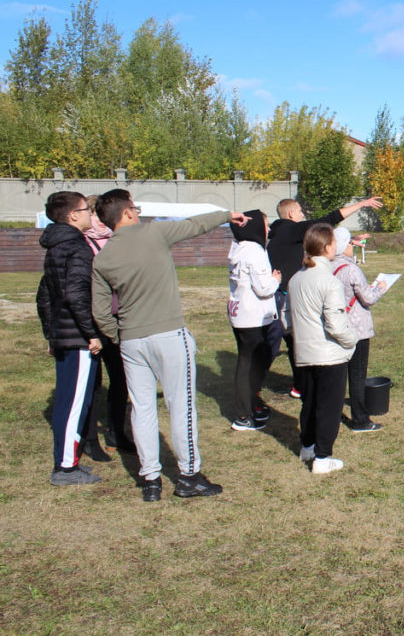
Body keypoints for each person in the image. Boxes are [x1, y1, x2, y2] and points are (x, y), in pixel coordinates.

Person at [91, 189, 250, 502]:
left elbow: (99, 311)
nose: (137, 212)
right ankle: (189, 476)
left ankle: (150, 479)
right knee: (182, 406)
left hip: (131, 341)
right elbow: (193, 225)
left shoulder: (103, 258)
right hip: (168, 335)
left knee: (142, 409)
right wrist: (227, 214)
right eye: (134, 207)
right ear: (127, 213)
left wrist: (119, 335)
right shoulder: (153, 232)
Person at [267, 196, 381, 398]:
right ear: (291, 214)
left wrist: (350, 241)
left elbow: (317, 243)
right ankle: (302, 385)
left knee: (295, 341)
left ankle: (300, 385)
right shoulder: (288, 229)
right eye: (300, 211)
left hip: (285, 294)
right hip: (285, 298)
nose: (303, 215)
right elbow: (327, 221)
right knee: (297, 340)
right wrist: (361, 205)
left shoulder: (281, 234)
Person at [36, 191, 103, 485]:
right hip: (76, 338)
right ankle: (65, 468)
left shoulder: (57, 245)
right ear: (73, 215)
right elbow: (75, 295)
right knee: (74, 402)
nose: (91, 213)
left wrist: (52, 334)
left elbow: (45, 296)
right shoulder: (76, 246)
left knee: (67, 400)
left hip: (64, 335)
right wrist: (91, 334)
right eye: (87, 209)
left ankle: (69, 460)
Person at [288, 223, 358, 474]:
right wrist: (352, 340)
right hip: (328, 355)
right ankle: (322, 457)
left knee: (309, 402)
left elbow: (289, 317)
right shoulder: (329, 281)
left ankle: (307, 446)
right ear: (328, 247)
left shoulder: (296, 278)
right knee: (329, 407)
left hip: (304, 353)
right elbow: (336, 324)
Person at [81, 194, 133, 455]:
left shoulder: (116, 241)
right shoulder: (82, 243)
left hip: (116, 318)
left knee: (120, 378)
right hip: (91, 322)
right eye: (92, 213)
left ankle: (116, 431)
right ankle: (89, 438)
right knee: (92, 381)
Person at [329, 226, 389, 432]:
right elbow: (368, 298)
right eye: (349, 243)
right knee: (357, 375)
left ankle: (332, 413)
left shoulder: (325, 266)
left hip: (334, 326)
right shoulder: (351, 269)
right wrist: (380, 288)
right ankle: (360, 420)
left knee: (336, 375)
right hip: (357, 329)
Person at [227, 209, 281, 431]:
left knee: (245, 364)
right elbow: (264, 288)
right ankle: (244, 414)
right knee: (249, 367)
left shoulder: (237, 248)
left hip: (239, 313)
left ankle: (248, 409)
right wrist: (275, 279)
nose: (268, 230)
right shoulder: (255, 251)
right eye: (265, 225)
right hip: (253, 317)